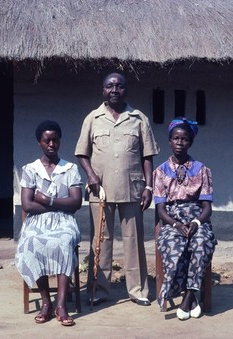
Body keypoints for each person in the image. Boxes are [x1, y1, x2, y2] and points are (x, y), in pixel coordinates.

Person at [75, 72, 160, 306]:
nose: (114, 90)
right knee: (100, 241)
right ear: (103, 90)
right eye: (109, 86)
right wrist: (91, 175)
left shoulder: (139, 118)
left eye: (119, 86)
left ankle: (138, 291)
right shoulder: (92, 118)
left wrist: (149, 187)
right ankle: (99, 291)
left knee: (134, 240)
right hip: (99, 189)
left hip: (132, 189)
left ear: (126, 90)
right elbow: (82, 153)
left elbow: (147, 157)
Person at [15, 120, 82, 327]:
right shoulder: (30, 169)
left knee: (63, 241)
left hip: (64, 221)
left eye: (55, 140)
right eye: (47, 140)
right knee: (32, 242)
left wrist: (47, 200)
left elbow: (76, 203)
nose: (51, 144)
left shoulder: (70, 168)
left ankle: (61, 305)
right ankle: (46, 302)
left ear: (60, 141)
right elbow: (27, 205)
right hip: (37, 221)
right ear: (39, 143)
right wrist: (60, 204)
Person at [153, 117, 217, 320]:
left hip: (198, 219)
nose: (180, 143)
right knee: (174, 246)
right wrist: (176, 224)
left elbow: (207, 207)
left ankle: (188, 296)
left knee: (201, 243)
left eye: (185, 139)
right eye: (176, 138)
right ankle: (191, 298)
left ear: (190, 142)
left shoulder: (202, 170)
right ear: (169, 141)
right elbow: (161, 210)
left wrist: (196, 223)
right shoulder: (160, 172)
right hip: (172, 221)